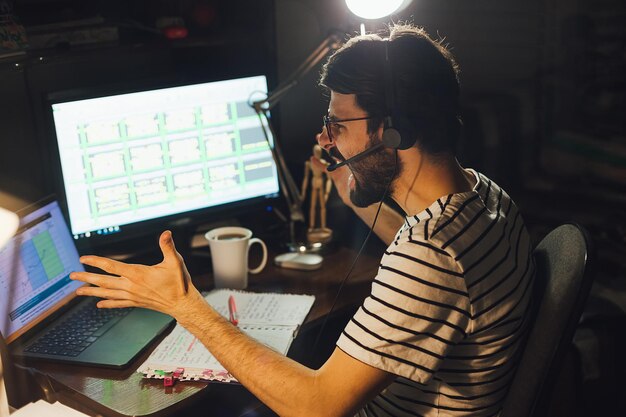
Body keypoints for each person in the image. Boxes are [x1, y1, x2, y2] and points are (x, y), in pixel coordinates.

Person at [71, 23, 534, 417]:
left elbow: (319, 406)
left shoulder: (431, 254)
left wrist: (186, 305)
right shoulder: (482, 196)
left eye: (338, 125)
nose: (326, 140)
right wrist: (352, 195)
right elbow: (427, 262)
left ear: (393, 131)